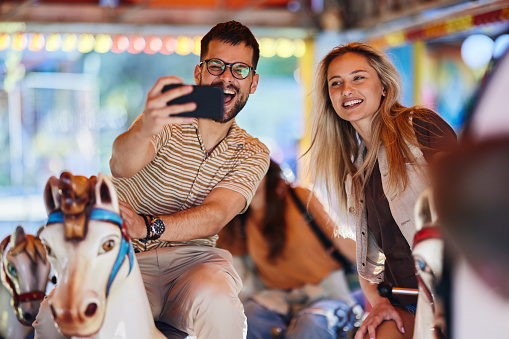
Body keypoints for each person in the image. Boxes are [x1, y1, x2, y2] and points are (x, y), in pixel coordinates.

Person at [34, 20, 270, 339]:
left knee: (222, 306)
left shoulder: (253, 152)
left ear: (253, 83)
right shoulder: (166, 121)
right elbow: (121, 164)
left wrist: (146, 225)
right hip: (127, 255)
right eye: (216, 66)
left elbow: (215, 216)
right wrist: (145, 127)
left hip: (194, 263)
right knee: (52, 317)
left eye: (239, 70)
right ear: (199, 73)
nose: (227, 77)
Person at [305, 42, 456, 339]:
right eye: (336, 83)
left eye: (358, 78)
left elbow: (471, 203)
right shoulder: (355, 171)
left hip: (452, 297)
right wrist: (378, 303)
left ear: (384, 87)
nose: (346, 89)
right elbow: (369, 260)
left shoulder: (419, 126)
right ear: (330, 99)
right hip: (407, 303)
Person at [218, 160, 363, 339]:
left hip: (327, 291)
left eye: (251, 168)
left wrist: (378, 270)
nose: (245, 176)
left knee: (311, 325)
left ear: (265, 171)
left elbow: (339, 238)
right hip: (277, 297)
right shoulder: (235, 221)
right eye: (236, 172)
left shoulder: (297, 196)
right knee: (246, 319)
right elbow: (236, 276)